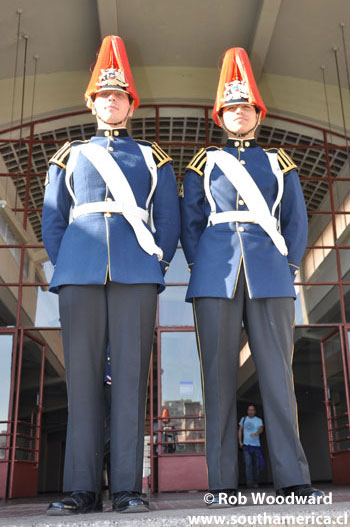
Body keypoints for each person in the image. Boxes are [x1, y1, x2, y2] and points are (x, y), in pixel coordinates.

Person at [180, 47, 324, 508]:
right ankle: (221, 480)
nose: (237, 114)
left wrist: (288, 267)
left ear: (257, 114)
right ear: (219, 117)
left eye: (244, 108)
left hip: (270, 274)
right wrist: (200, 267)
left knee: (279, 378)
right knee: (218, 377)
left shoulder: (281, 164)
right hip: (215, 277)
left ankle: (293, 478)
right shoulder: (203, 164)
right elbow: (190, 223)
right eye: (230, 109)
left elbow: (296, 221)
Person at [42, 35, 180, 515]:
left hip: (134, 271)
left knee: (128, 380)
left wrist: (156, 265)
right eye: (103, 96)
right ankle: (80, 488)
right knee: (81, 381)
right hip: (78, 273)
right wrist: (67, 265)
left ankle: (127, 487)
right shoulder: (70, 155)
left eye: (118, 96)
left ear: (130, 104)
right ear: (92, 103)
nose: (111, 102)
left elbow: (168, 218)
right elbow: (54, 218)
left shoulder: (151, 156)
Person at [238, 405, 264, 488]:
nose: (251, 411)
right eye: (249, 410)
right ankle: (249, 483)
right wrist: (240, 442)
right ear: (247, 411)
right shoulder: (244, 419)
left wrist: (256, 433)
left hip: (256, 446)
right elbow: (240, 430)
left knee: (256, 465)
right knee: (248, 465)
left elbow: (261, 429)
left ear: (255, 411)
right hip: (246, 446)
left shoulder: (258, 420)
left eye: (252, 410)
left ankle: (255, 482)